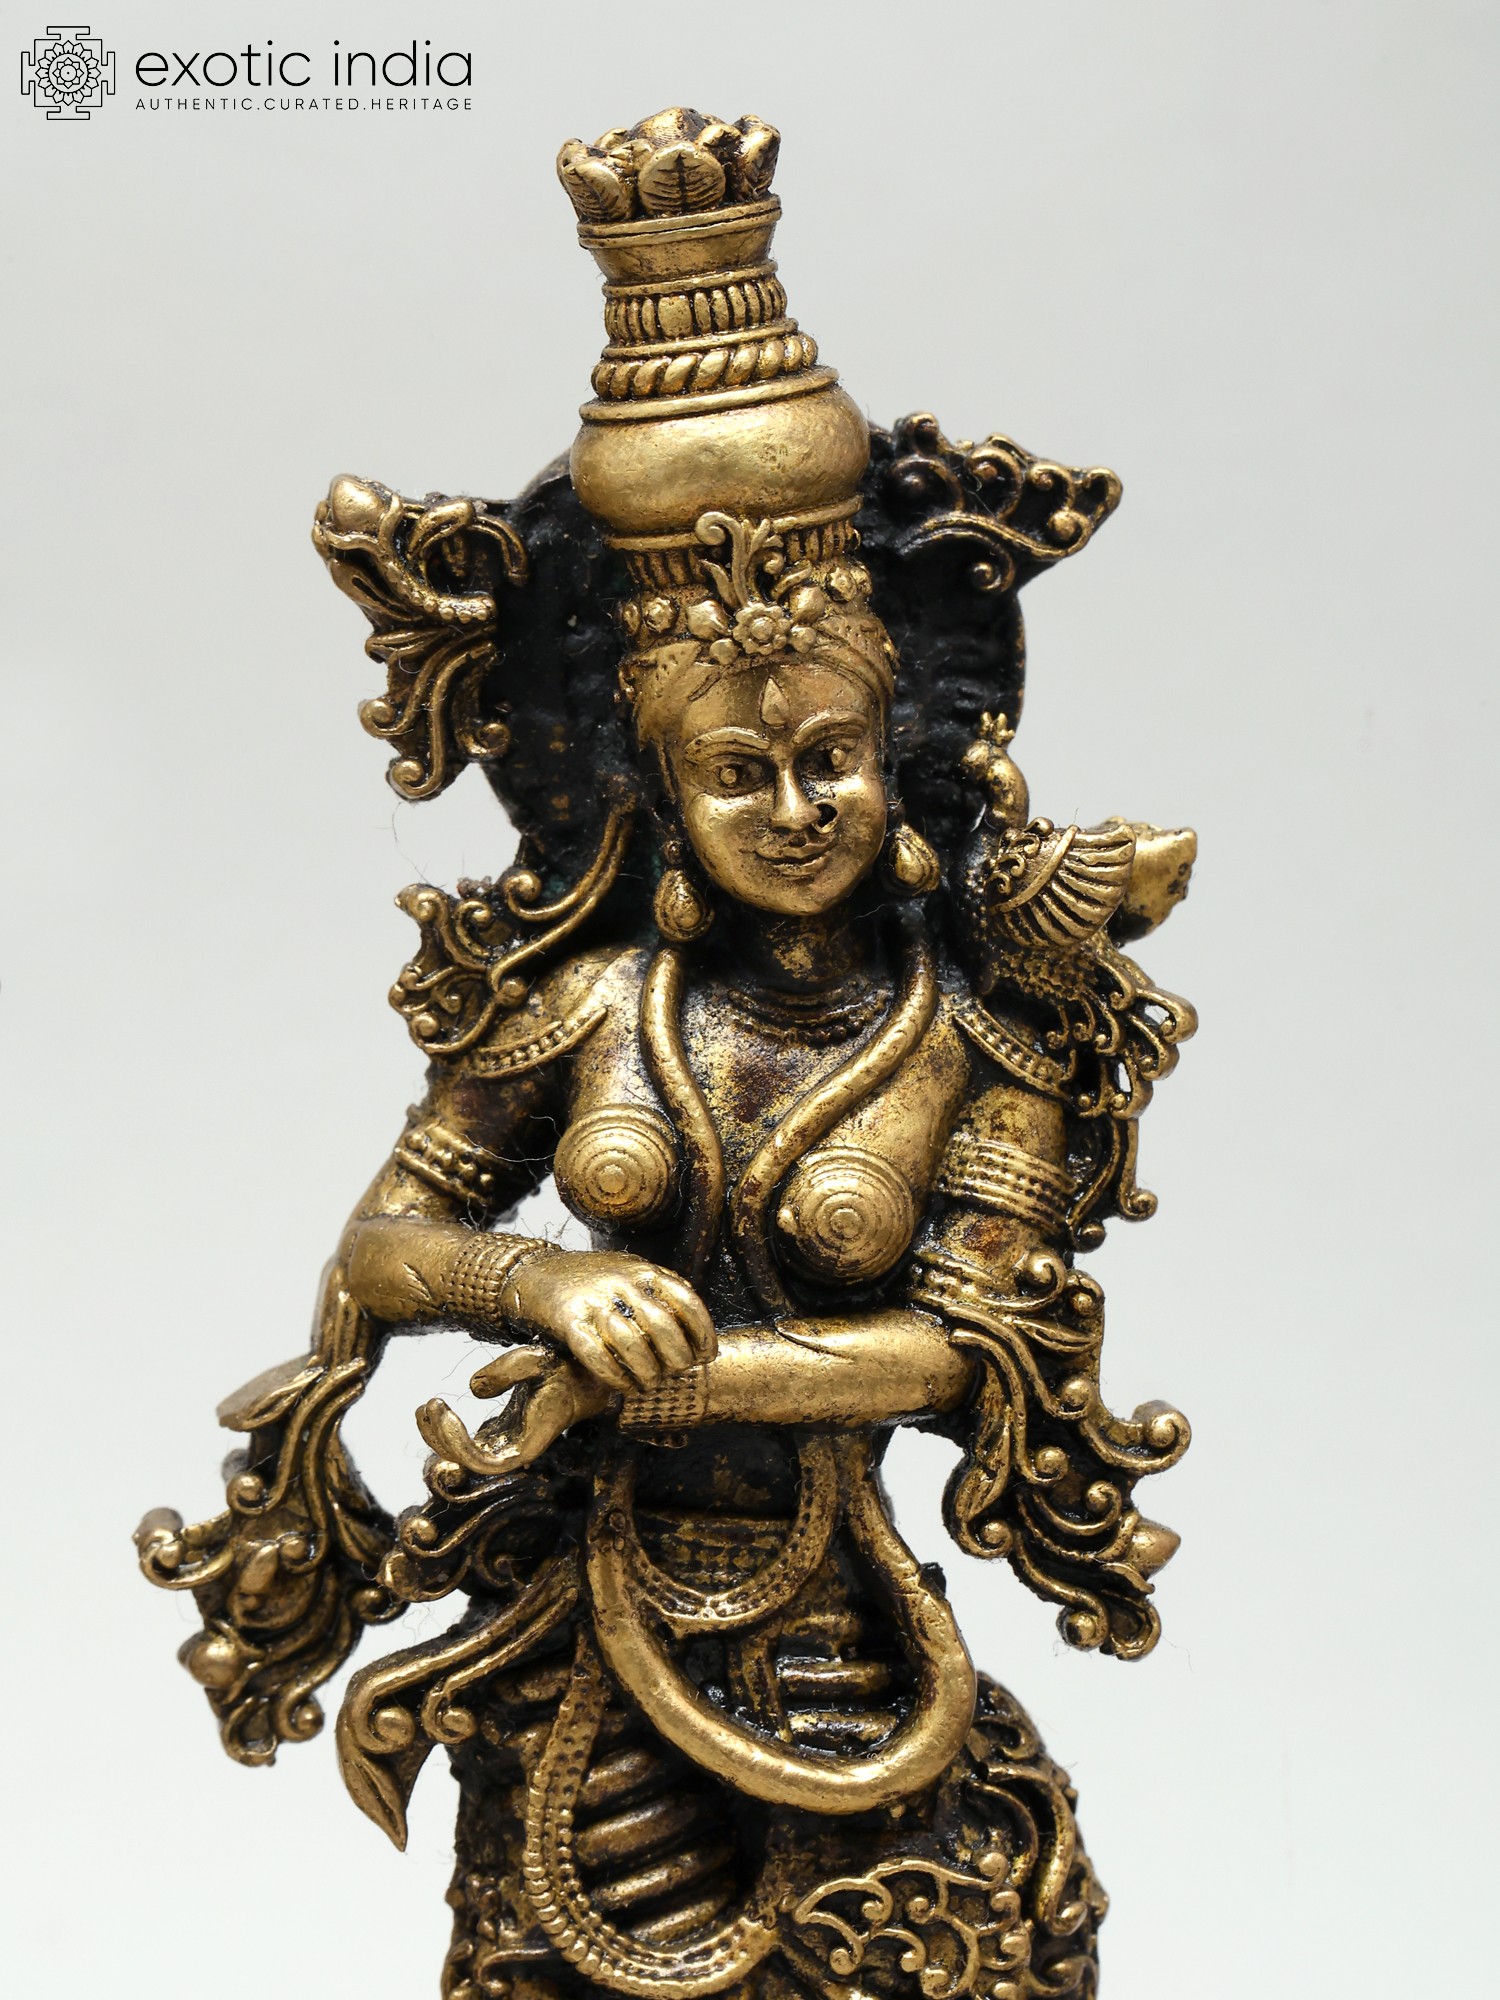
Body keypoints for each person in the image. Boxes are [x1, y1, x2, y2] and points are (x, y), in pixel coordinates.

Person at [140, 109, 1196, 2000]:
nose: (795, 808)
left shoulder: (975, 1028)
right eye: (736, 770)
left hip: (849, 1641)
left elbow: (974, 1346)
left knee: (961, 1944)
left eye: (833, 759)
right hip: (582, 1630)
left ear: (901, 755)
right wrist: (542, 1284)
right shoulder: (586, 1005)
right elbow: (380, 1253)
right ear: (652, 786)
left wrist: (678, 1377)